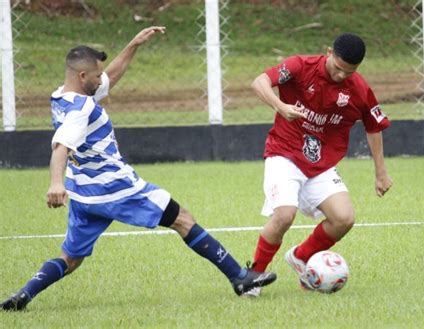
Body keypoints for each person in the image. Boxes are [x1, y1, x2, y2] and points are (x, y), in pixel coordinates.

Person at [1, 26, 276, 311]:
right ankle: (240, 277)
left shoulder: (61, 96)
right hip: (115, 187)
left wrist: (134, 44)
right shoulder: (82, 107)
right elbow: (61, 146)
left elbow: (111, 77)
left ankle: (24, 295)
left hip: (84, 193)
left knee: (70, 260)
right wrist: (54, 183)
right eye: (97, 76)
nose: (102, 79)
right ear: (83, 77)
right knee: (182, 219)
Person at [244, 33, 393, 297]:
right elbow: (259, 82)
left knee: (344, 218)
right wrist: (281, 106)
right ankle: (253, 276)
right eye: (337, 68)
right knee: (284, 215)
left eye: (349, 72)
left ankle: (301, 257)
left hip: (320, 164)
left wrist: (381, 173)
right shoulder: (300, 66)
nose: (340, 76)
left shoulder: (358, 88)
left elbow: (374, 127)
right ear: (328, 52)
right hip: (284, 153)